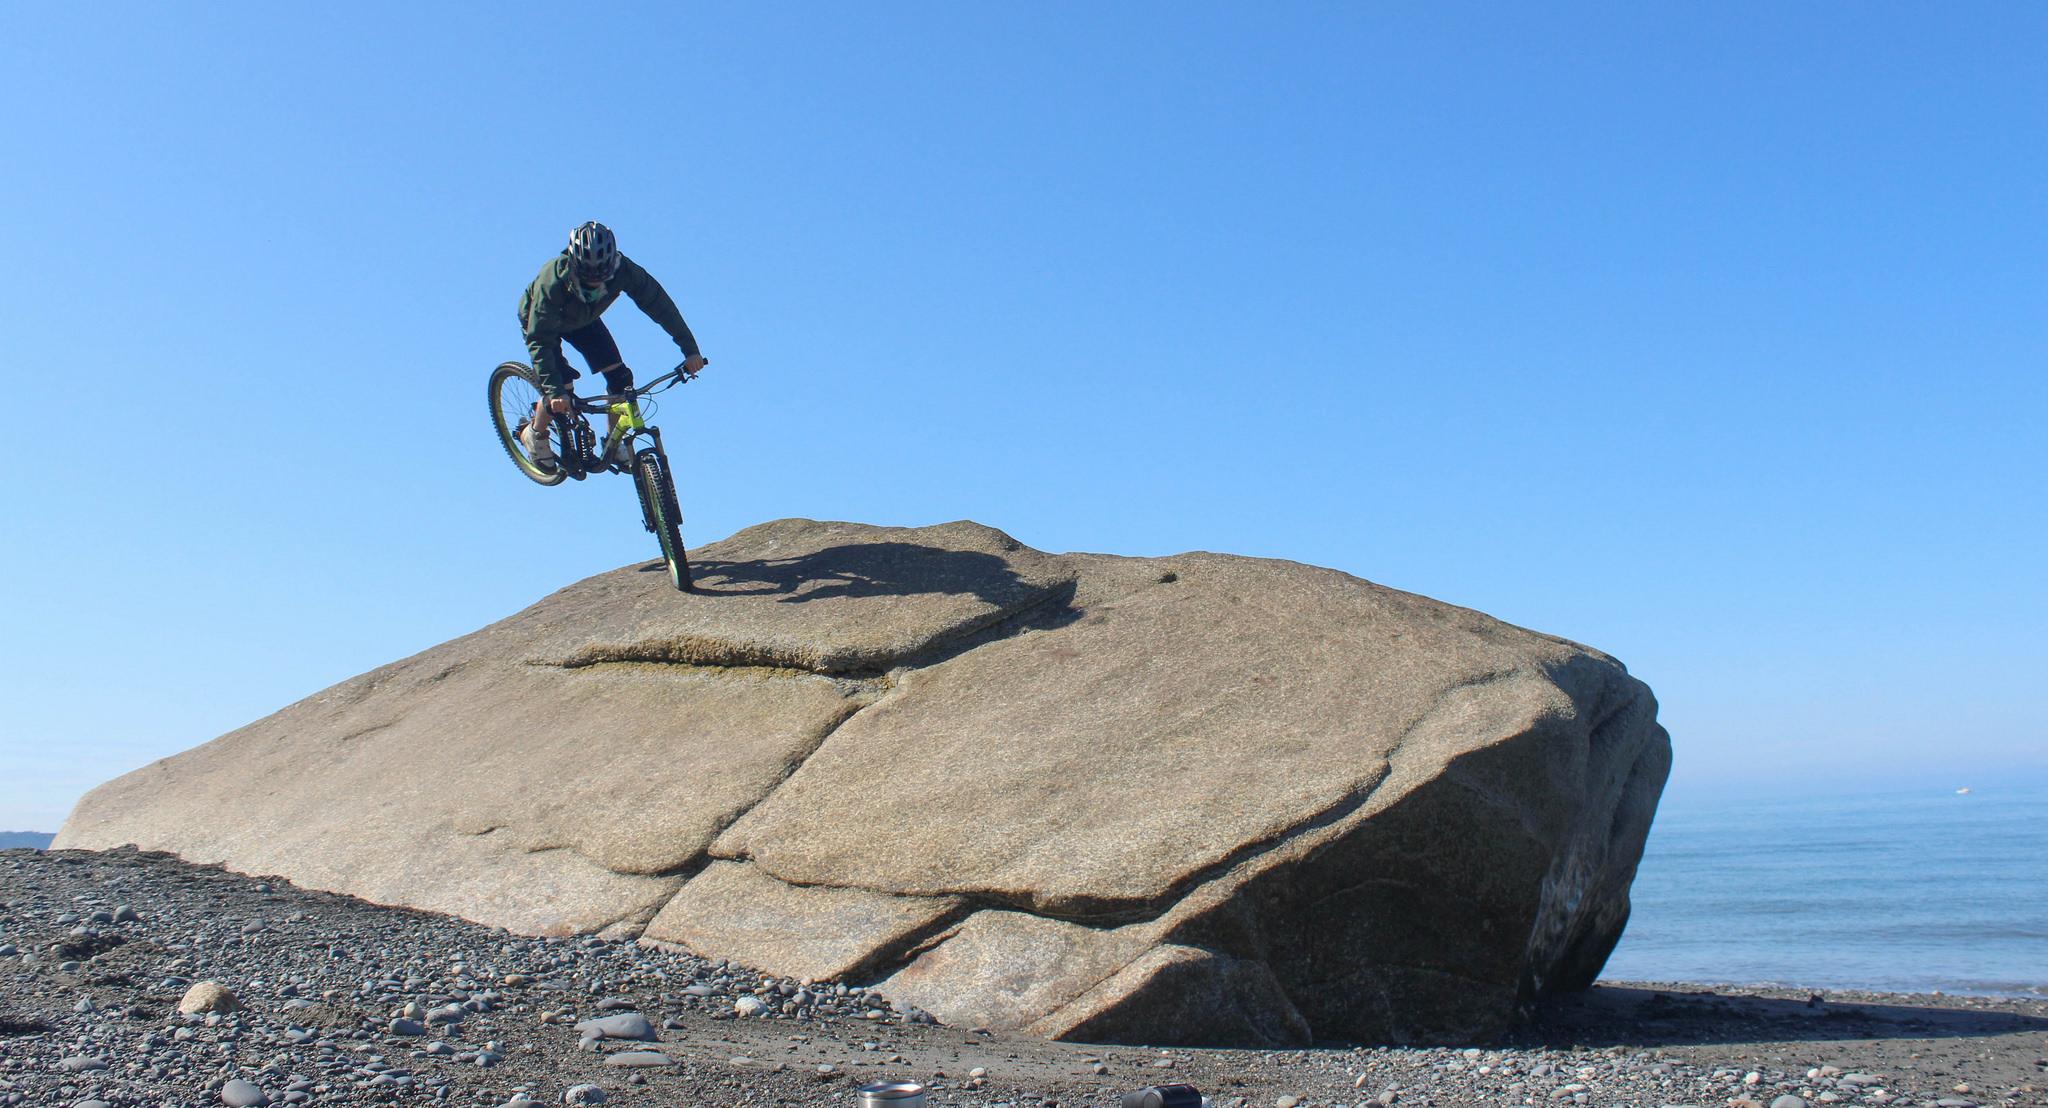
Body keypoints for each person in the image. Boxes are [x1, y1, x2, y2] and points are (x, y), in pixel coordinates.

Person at [517, 221, 707, 468]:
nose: (594, 283)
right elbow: (539, 340)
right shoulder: (551, 281)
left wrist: (690, 349)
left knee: (621, 380)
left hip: (584, 320)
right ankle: (534, 434)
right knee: (561, 388)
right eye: (587, 277)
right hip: (543, 323)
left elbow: (660, 306)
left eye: (601, 277)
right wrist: (554, 392)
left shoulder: (625, 271)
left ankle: (613, 446)